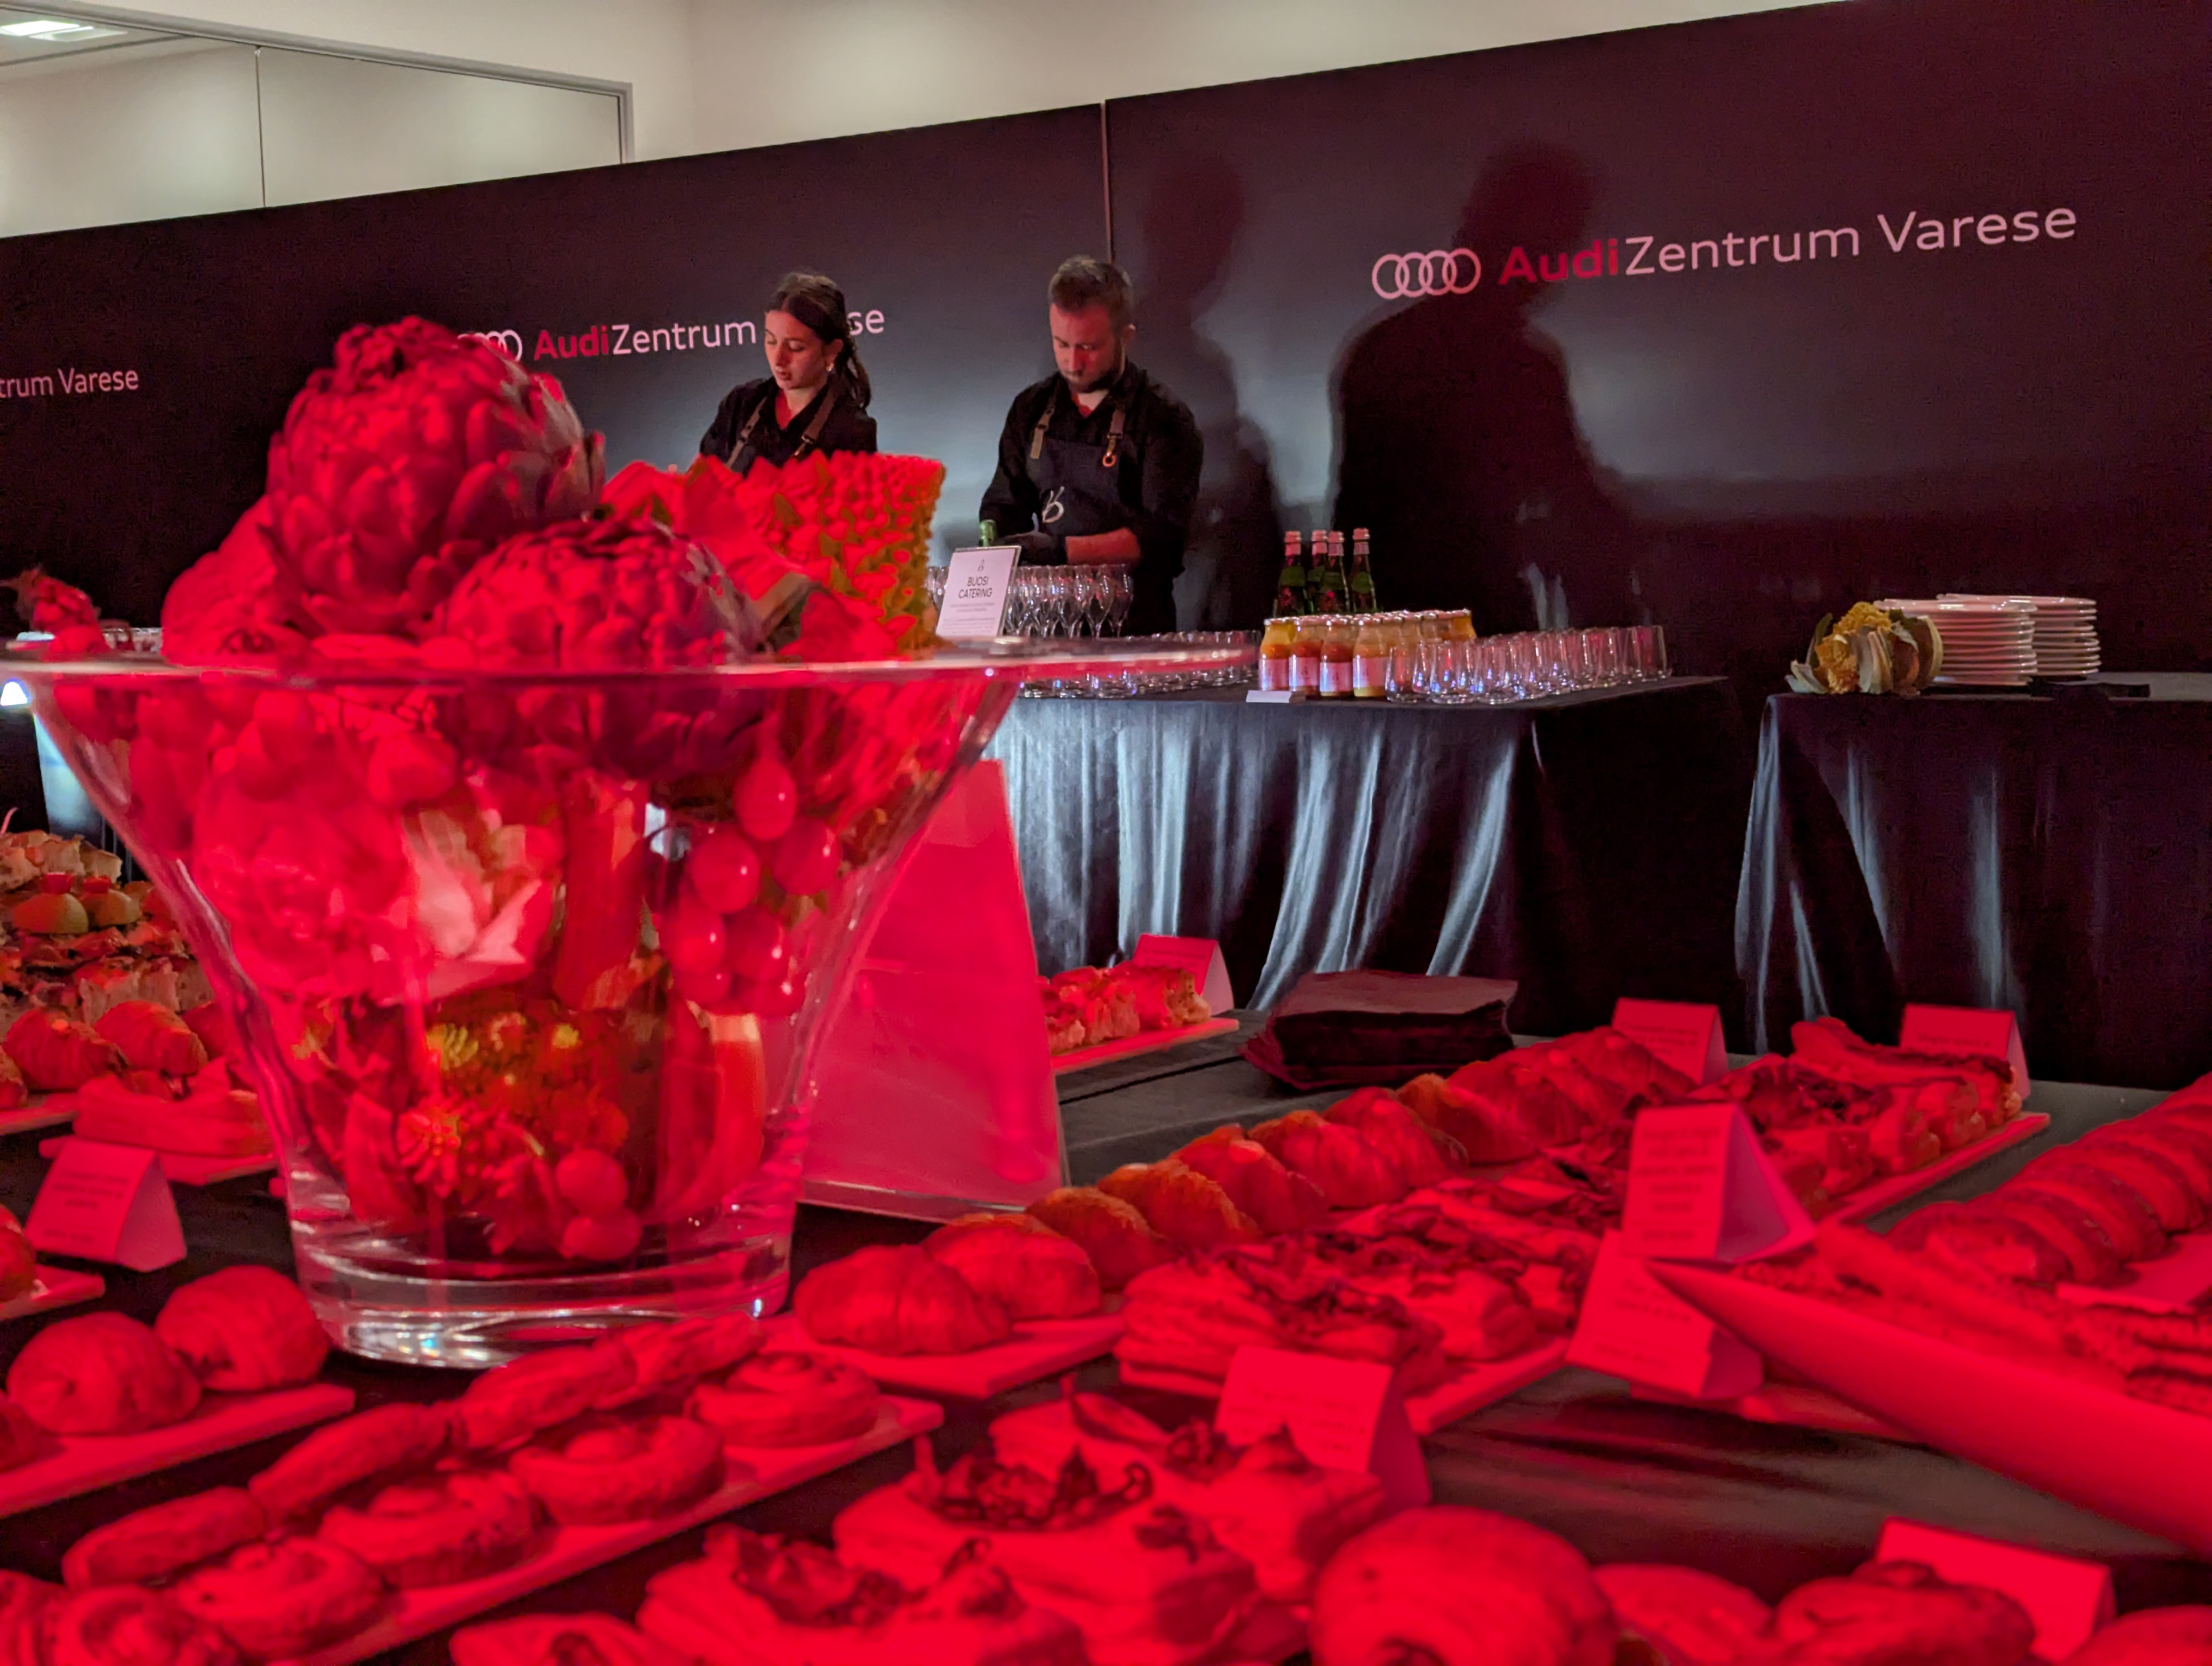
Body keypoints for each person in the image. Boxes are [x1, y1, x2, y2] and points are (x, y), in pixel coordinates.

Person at [979, 257, 1203, 636]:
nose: (1072, 362)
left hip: (1134, 629)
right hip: (1047, 627)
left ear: (1125, 337)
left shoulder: (1163, 418)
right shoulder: (1032, 408)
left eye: (1088, 347)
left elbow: (1162, 537)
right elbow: (1005, 501)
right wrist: (995, 538)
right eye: (1061, 344)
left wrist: (1061, 551)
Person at [700, 272, 877, 472]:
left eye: (795, 347)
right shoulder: (740, 404)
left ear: (831, 351)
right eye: (771, 341)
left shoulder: (853, 430)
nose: (778, 360)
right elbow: (702, 479)